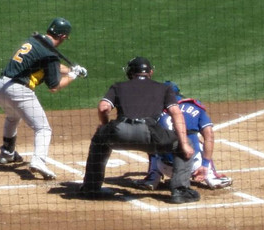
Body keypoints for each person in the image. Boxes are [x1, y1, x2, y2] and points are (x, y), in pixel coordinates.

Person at [77, 57, 200, 204]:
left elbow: (103, 108)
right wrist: (184, 143)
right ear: (151, 72)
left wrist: (105, 126)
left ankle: (91, 188)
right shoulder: (164, 88)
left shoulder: (118, 86)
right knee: (183, 146)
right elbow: (176, 114)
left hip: (119, 132)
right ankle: (180, 191)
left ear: (130, 73)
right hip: (150, 135)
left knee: (99, 140)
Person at [0, 17, 87, 180]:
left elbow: (52, 65)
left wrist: (71, 69)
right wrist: (73, 75)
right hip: (18, 91)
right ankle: (38, 161)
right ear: (63, 37)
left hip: (1, 86)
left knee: (13, 117)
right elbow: (54, 86)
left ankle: (7, 153)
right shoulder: (50, 53)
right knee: (43, 129)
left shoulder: (36, 40)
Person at [137, 81, 233, 191]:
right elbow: (209, 135)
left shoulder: (153, 111)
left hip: (165, 167)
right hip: (192, 166)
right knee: (201, 143)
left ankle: (153, 178)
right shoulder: (196, 107)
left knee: (153, 143)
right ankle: (211, 177)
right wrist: (204, 165)